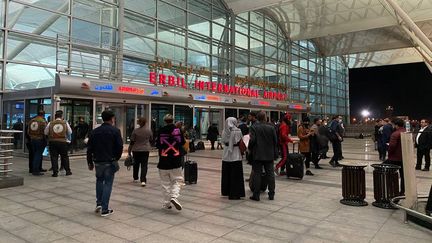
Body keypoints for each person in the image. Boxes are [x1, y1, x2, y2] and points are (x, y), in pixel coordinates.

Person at [87, 110, 123, 217]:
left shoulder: (94, 131)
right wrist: (116, 157)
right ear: (112, 119)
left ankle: (99, 203)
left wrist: (89, 161)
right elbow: (119, 146)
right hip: (109, 161)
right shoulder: (115, 131)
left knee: (99, 181)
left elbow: (89, 148)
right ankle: (105, 208)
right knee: (108, 183)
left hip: (97, 161)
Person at [156, 114, 185, 210]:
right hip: (175, 160)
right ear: (173, 120)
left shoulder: (160, 130)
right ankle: (174, 196)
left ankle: (167, 203)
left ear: (165, 121)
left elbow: (158, 145)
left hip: (163, 160)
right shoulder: (177, 130)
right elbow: (182, 142)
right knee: (177, 180)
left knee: (165, 183)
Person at [248, 112, 278, 201]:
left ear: (257, 118)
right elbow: (275, 141)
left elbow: (252, 141)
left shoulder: (254, 127)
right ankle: (271, 194)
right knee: (270, 174)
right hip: (269, 154)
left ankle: (256, 195)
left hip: (257, 154)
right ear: (265, 117)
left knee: (257, 174)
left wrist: (249, 148)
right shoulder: (271, 127)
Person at [221, 117, 246, 200]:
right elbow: (241, 141)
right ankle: (235, 193)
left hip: (226, 154)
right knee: (236, 174)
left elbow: (223, 141)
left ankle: (226, 191)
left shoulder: (224, 130)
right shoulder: (237, 130)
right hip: (235, 153)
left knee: (226, 174)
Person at [44, 110, 72, 177]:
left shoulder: (50, 123)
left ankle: (55, 172)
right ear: (62, 116)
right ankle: (67, 171)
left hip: (53, 142)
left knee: (54, 157)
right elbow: (70, 132)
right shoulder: (65, 123)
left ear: (55, 117)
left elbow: (45, 132)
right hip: (63, 142)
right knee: (65, 157)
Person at [384, 118, 406, 196]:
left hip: (395, 158)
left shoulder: (395, 134)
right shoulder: (406, 132)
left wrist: (389, 153)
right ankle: (402, 191)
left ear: (396, 125)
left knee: (388, 172)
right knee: (403, 176)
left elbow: (392, 146)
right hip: (404, 158)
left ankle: (392, 190)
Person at [128, 117, 152, 186]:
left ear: (139, 122)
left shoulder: (135, 131)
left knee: (136, 164)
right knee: (144, 165)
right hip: (145, 149)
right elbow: (151, 138)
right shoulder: (149, 130)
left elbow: (132, 141)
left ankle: (135, 177)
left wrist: (129, 150)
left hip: (136, 149)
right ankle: (143, 180)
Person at [28, 110, 48, 176]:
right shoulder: (43, 121)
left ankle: (37, 168)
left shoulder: (31, 121)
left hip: (32, 139)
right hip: (40, 140)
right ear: (43, 114)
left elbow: (28, 131)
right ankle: (36, 170)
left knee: (35, 154)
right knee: (38, 155)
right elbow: (45, 132)